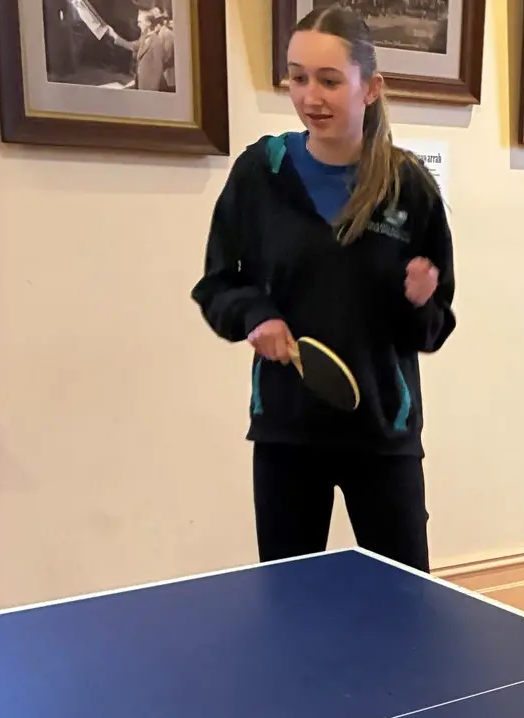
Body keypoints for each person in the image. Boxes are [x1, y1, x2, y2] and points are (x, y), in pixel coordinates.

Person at [190, 6, 455, 574]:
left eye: (330, 80)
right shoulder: (262, 172)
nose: (311, 95)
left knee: (403, 611)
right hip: (288, 432)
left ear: (371, 87)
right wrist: (254, 316)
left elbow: (434, 329)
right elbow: (217, 283)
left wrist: (419, 301)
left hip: (383, 435)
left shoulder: (409, 188)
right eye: (298, 76)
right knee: (290, 605)